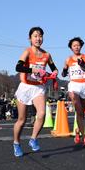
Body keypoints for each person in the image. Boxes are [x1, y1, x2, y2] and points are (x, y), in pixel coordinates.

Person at [13, 27, 58, 157]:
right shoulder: (27, 51)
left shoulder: (47, 54)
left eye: (40, 36)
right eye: (35, 36)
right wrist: (33, 70)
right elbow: (18, 67)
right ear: (30, 39)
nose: (38, 39)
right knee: (22, 120)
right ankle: (16, 143)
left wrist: (54, 73)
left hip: (39, 88)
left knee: (42, 114)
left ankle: (33, 139)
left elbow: (54, 68)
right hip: (25, 87)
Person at [62, 37, 85, 146]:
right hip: (73, 84)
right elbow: (63, 72)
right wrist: (64, 71)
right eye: (74, 45)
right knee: (76, 102)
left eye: (78, 45)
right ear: (71, 47)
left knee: (81, 114)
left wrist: (83, 65)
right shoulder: (68, 59)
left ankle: (77, 131)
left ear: (81, 46)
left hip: (84, 84)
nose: (76, 47)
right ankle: (84, 138)